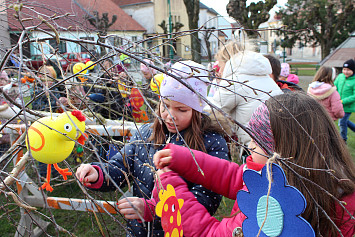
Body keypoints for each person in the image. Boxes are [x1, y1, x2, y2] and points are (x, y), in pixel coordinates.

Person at [152, 92, 355, 237]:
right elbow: (233, 177)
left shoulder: (269, 214)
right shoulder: (325, 185)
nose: (249, 146)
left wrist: (171, 188)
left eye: (256, 141)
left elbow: (205, 233)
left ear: (281, 153)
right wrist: (183, 158)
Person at [76, 60, 229, 236]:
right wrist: (98, 173)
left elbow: (206, 198)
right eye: (166, 105)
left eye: (181, 109)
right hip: (138, 232)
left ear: (197, 110)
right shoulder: (146, 134)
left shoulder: (210, 143)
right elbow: (120, 167)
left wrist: (155, 209)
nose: (170, 115)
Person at [209, 40, 282, 157]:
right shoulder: (260, 74)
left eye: (220, 66)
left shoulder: (235, 79)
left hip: (257, 146)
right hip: (277, 139)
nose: (220, 71)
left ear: (228, 62)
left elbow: (212, 108)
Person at [335, 59, 355, 142]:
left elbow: (354, 96)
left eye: (348, 70)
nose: (345, 72)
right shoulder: (340, 77)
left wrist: (343, 101)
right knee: (345, 121)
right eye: (344, 69)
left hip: (347, 106)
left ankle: (343, 140)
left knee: (342, 123)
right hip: (339, 104)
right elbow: (334, 87)